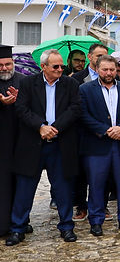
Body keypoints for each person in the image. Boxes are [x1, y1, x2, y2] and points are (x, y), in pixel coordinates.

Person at [7, 50, 81, 245]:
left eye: (62, 66)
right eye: (55, 66)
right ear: (43, 67)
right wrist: (40, 126)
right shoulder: (28, 83)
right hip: (33, 144)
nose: (60, 69)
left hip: (60, 144)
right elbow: (21, 109)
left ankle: (66, 227)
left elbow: (75, 109)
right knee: (25, 189)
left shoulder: (71, 84)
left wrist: (55, 128)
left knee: (63, 189)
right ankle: (18, 228)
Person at [77, 55, 120, 235]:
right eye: (105, 69)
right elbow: (83, 115)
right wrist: (105, 130)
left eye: (112, 69)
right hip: (97, 146)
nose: (109, 73)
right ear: (97, 69)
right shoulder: (85, 89)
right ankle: (96, 221)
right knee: (96, 185)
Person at [70, 42, 109, 221]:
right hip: (82, 132)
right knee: (81, 172)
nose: (102, 58)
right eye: (99, 55)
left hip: (105, 132)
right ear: (90, 57)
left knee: (105, 172)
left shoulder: (111, 77)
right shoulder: (77, 78)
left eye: (105, 55)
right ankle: (81, 206)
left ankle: (102, 205)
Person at [0, 45, 25, 237]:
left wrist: (19, 101)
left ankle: (20, 222)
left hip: (20, 142)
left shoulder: (23, 81)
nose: (4, 68)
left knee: (20, 184)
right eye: (0, 65)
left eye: (8, 64)